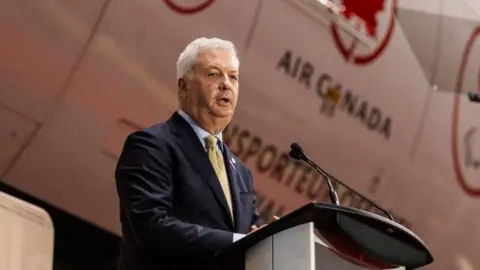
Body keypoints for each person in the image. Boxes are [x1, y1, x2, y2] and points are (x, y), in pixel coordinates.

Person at [115, 37, 276, 270]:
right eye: (213, 74)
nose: (226, 84)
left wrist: (273, 240)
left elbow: (249, 242)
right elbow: (152, 227)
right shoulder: (151, 145)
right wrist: (238, 242)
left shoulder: (241, 173)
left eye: (233, 77)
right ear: (183, 86)